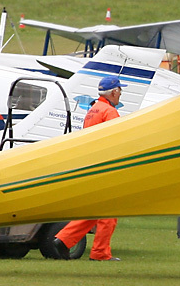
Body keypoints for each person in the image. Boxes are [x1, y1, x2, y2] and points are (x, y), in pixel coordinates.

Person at [49, 75, 125, 260]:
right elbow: (116, 141)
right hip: (105, 167)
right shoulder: (109, 112)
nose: (121, 94)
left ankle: (64, 240)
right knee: (109, 213)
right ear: (114, 91)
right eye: (120, 90)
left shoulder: (93, 109)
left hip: (92, 165)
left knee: (95, 212)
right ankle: (99, 253)